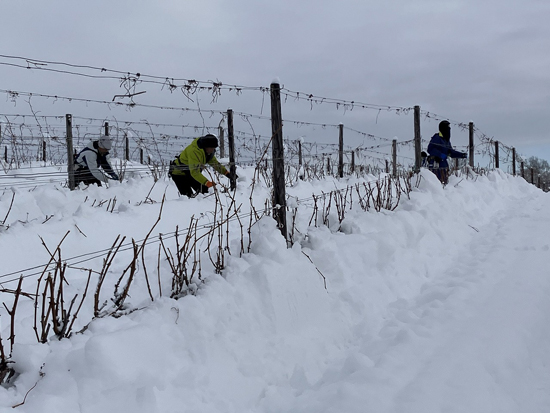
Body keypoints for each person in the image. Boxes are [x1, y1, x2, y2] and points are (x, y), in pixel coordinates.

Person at [169, 134, 234, 198]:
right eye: (211, 148)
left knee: (205, 192)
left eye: (214, 148)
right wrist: (207, 183)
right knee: (188, 197)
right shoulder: (194, 151)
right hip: (178, 173)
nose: (213, 150)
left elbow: (215, 164)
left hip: (189, 172)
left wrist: (226, 173)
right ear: (206, 146)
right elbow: (194, 172)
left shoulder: (208, 153)